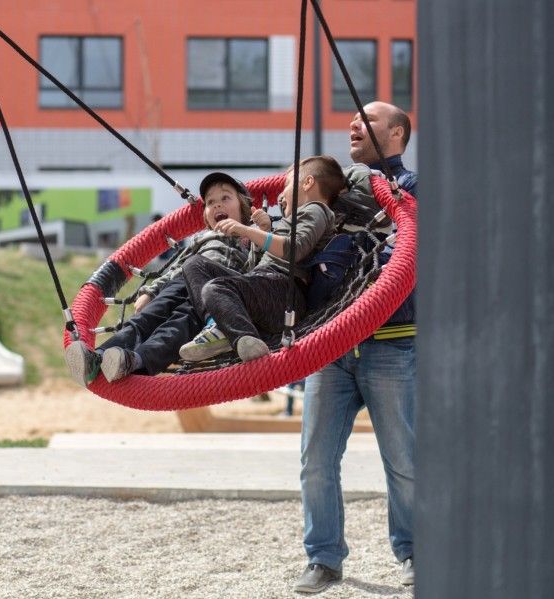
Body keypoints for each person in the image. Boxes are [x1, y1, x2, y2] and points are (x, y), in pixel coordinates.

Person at [293, 101, 418, 594]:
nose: (352, 125)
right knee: (315, 460)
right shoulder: (335, 194)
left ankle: (415, 551)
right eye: (352, 118)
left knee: (403, 460)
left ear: (397, 134)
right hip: (330, 345)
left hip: (391, 344)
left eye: (368, 120)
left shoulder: (412, 191)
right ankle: (323, 559)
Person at [64, 172, 260, 385]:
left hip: (213, 294)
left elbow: (266, 269)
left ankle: (135, 360)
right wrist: (151, 291)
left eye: (225, 198)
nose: (217, 205)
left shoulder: (252, 238)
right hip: (182, 281)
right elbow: (176, 267)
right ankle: (99, 356)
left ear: (243, 207)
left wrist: (260, 230)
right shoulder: (202, 238)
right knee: (144, 319)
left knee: (180, 325)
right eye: (210, 202)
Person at [178, 156, 345, 364]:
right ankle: (217, 325)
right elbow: (254, 269)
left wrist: (246, 230)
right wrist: (265, 230)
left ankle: (244, 339)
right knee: (194, 264)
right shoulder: (294, 219)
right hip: (267, 286)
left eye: (287, 185)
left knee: (216, 288)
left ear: (308, 183)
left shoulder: (316, 209)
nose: (281, 196)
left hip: (285, 294)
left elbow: (294, 249)